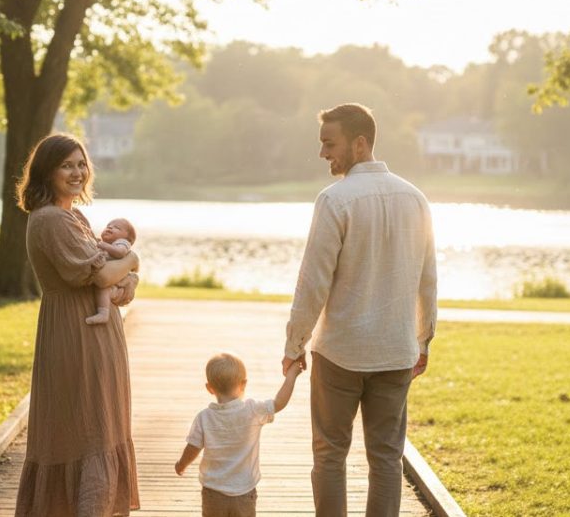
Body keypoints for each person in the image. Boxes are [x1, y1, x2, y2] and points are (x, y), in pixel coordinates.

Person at [282, 103, 437, 517]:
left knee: (330, 454)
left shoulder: (335, 200)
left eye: (329, 144)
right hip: (395, 351)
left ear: (360, 143)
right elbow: (429, 279)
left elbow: (313, 282)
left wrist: (294, 342)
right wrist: (423, 339)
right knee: (386, 457)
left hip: (341, 353)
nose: (323, 154)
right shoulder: (416, 199)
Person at [13, 133, 141, 517]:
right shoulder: (51, 219)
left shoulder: (75, 217)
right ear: (46, 172)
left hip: (98, 334)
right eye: (66, 165)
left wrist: (124, 277)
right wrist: (133, 262)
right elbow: (102, 277)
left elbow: (117, 285)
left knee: (103, 423)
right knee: (86, 428)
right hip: (75, 333)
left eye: (81, 163)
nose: (77, 171)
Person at [174, 352, 304, 517]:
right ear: (243, 384)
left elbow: (193, 447)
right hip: (244, 492)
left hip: (213, 492)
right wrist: (291, 376)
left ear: (209, 388)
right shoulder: (252, 410)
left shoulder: (204, 417)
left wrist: (182, 464)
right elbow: (279, 403)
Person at [87, 218, 137, 325]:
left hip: (118, 279)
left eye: (117, 228)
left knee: (103, 289)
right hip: (112, 275)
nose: (110, 227)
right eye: (108, 226)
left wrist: (104, 245)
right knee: (102, 288)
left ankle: (103, 313)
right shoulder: (106, 244)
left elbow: (120, 253)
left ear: (127, 238)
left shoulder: (122, 243)